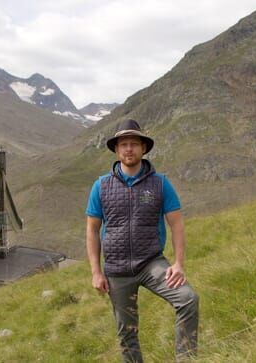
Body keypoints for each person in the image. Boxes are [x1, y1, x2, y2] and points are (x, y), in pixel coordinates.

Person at [86, 119, 199, 362]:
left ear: (143, 149)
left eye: (134, 144)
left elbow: (177, 224)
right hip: (116, 271)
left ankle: (186, 359)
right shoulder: (101, 186)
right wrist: (96, 272)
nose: (129, 149)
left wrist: (178, 264)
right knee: (126, 334)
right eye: (124, 144)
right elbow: (92, 230)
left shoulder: (160, 183)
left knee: (187, 299)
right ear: (116, 150)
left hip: (152, 264)